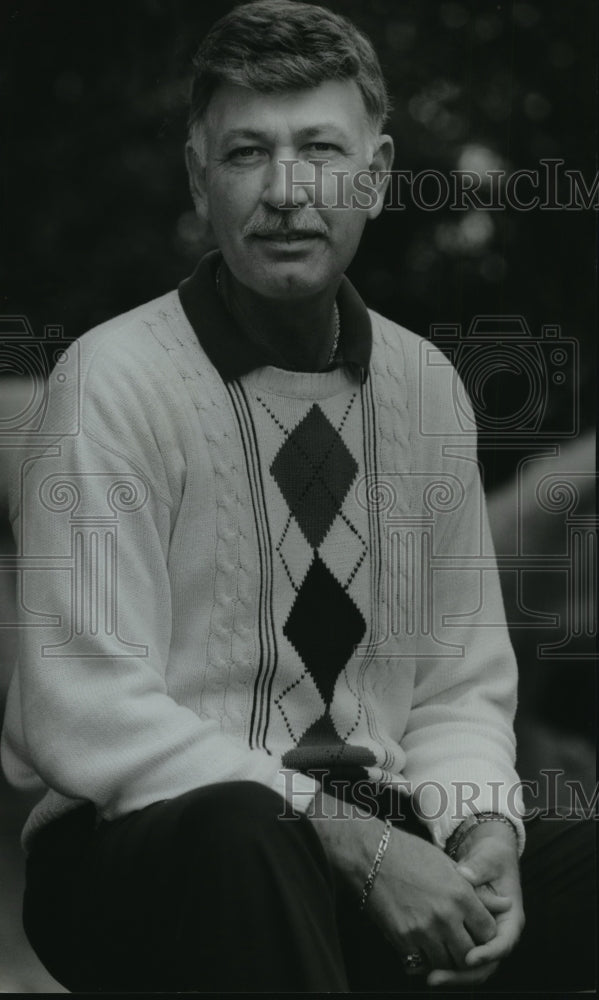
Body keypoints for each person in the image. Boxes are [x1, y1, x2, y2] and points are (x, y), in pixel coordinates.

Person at [0, 1, 594, 993]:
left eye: (320, 148)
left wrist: (481, 824)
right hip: (144, 848)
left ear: (376, 171)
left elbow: (456, 687)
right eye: (246, 153)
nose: (285, 191)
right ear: (199, 175)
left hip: (374, 831)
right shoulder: (110, 381)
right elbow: (83, 706)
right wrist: (350, 841)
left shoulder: (423, 389)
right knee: (252, 830)